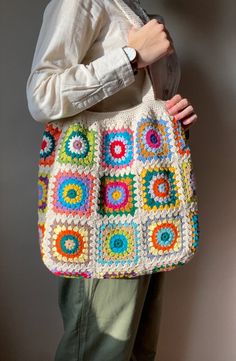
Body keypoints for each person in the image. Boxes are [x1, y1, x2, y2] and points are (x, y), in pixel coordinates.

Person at [26, 1, 198, 360]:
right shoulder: (82, 3)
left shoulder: (136, 8)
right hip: (103, 211)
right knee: (101, 350)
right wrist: (132, 56)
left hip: (150, 202)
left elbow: (134, 110)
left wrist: (169, 121)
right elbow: (42, 95)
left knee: (138, 349)